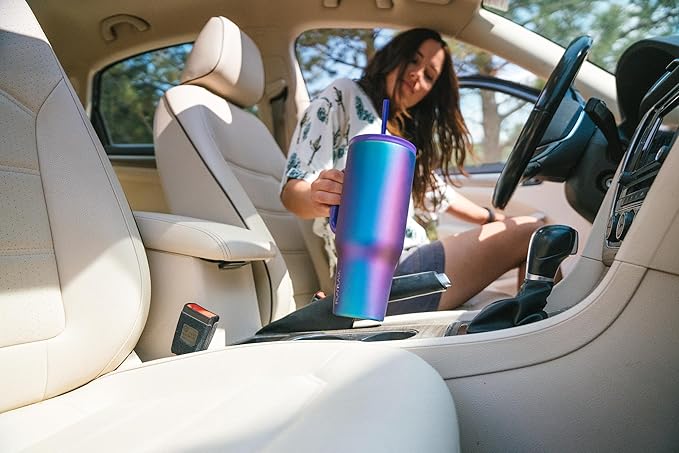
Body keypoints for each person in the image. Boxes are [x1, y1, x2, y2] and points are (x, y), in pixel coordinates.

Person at [280, 28, 544, 315]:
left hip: (405, 261)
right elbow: (293, 191)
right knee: (536, 236)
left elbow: (439, 194)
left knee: (525, 235)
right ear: (394, 56)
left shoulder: (403, 135)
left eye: (429, 75)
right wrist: (319, 196)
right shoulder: (344, 94)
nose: (417, 75)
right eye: (413, 60)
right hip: (372, 274)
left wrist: (494, 219)